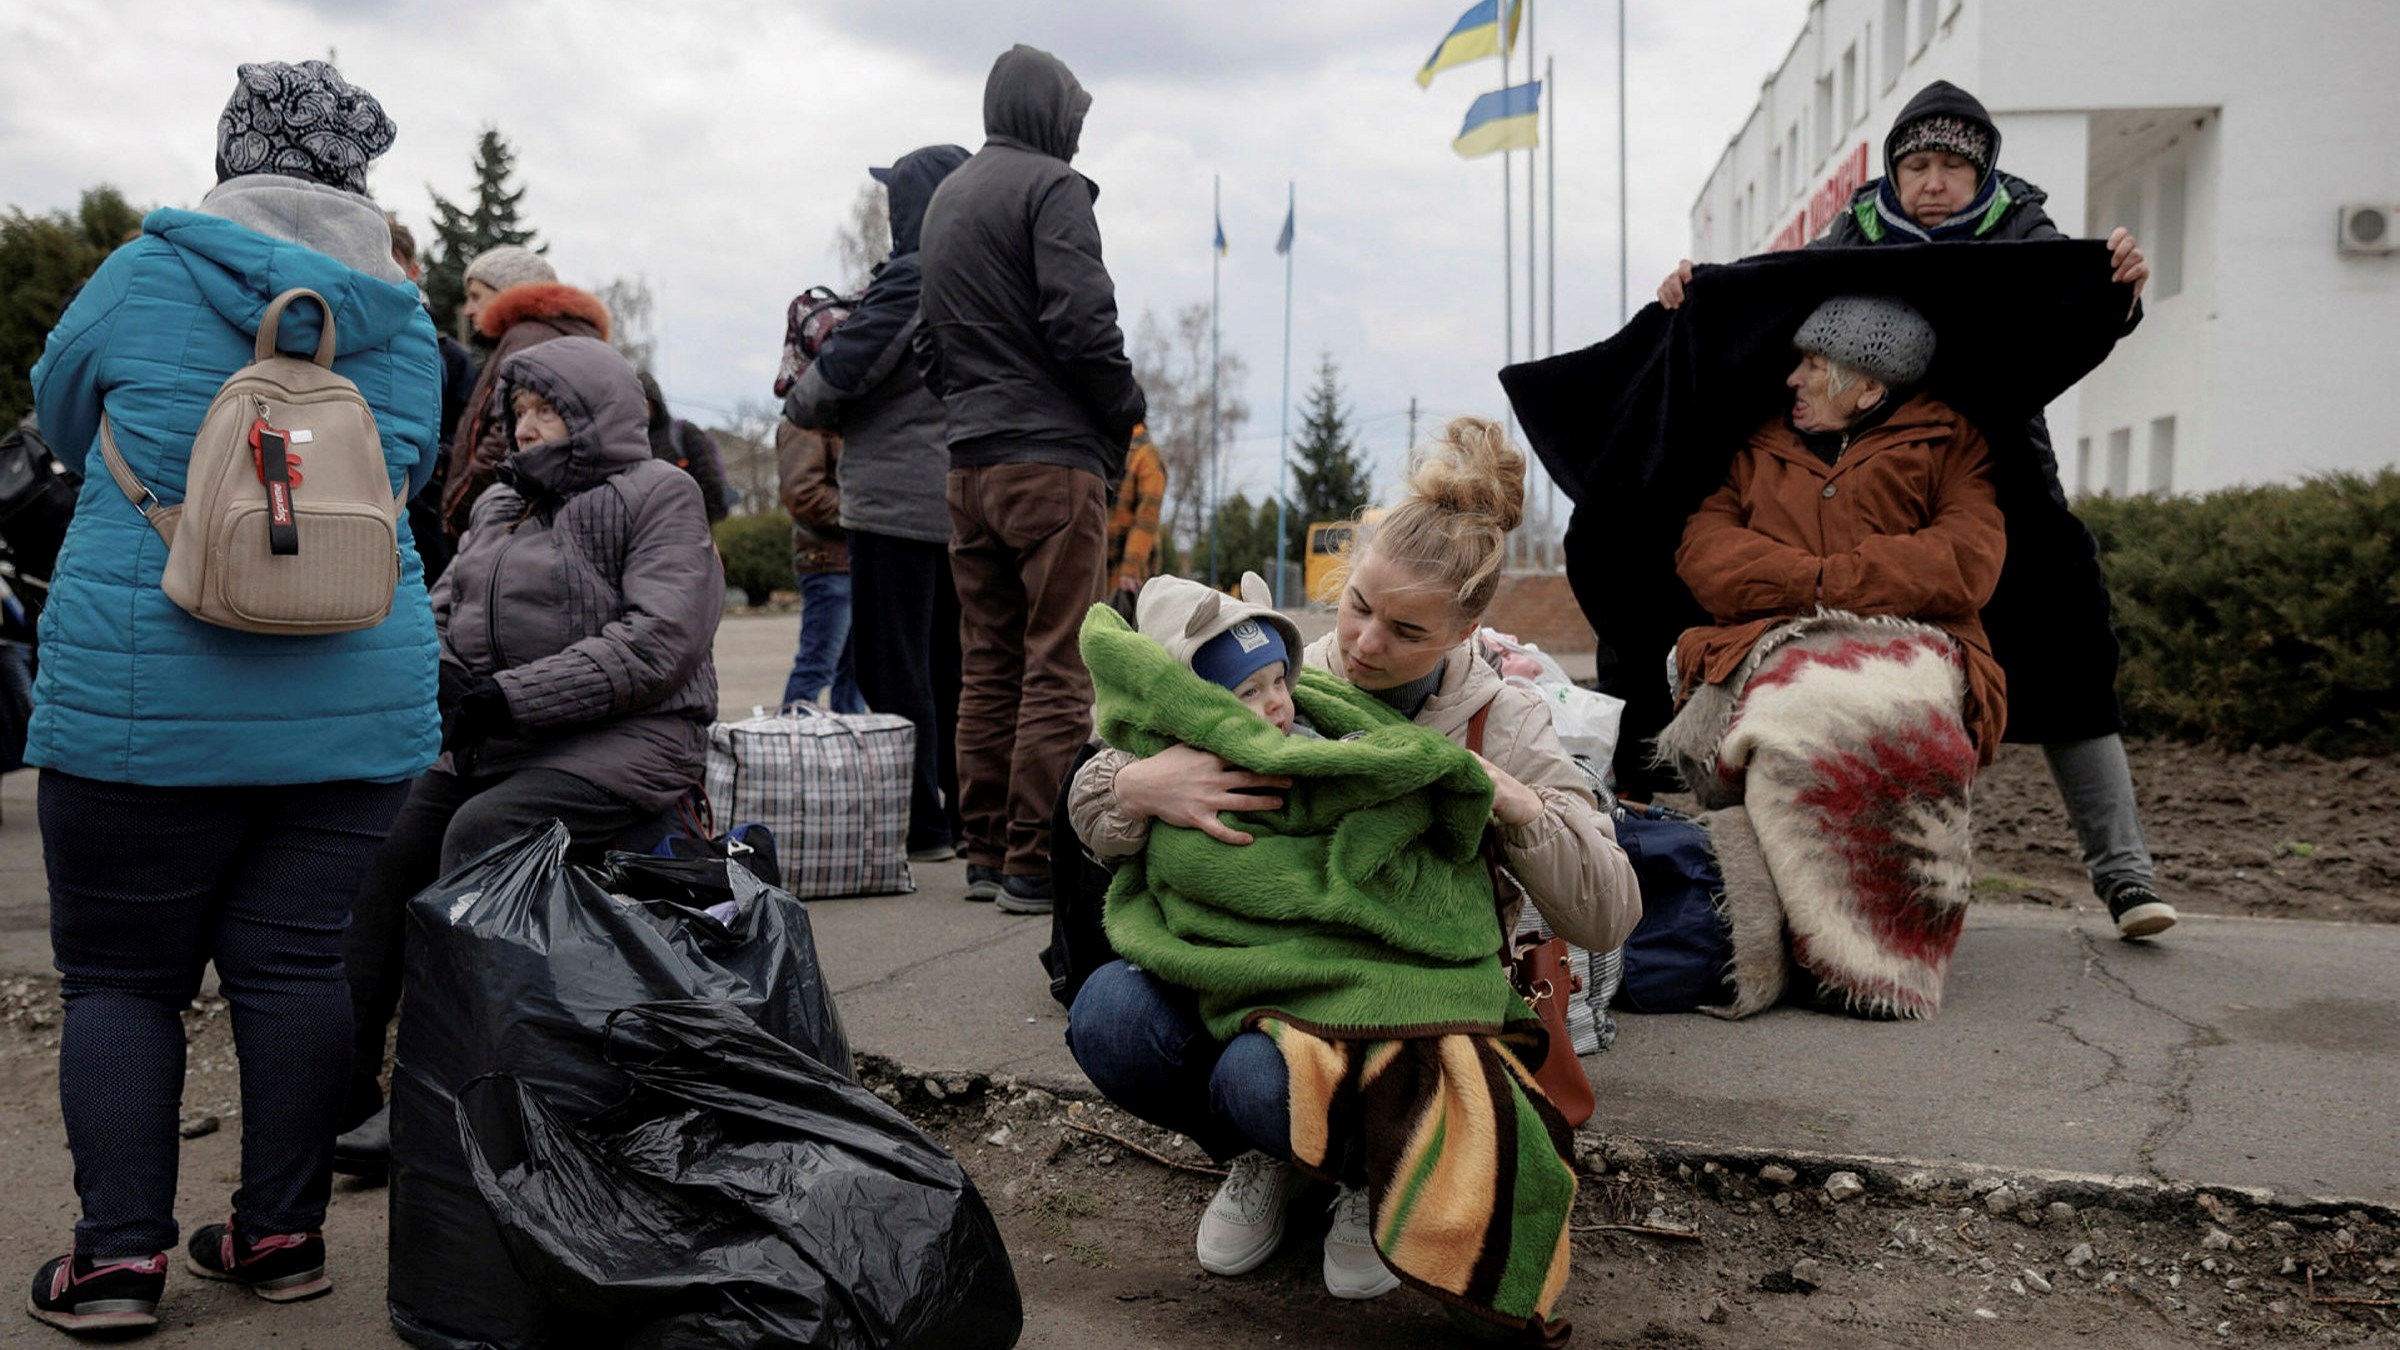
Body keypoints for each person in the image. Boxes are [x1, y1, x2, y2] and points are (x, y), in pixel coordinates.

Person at [22, 60, 440, 1333]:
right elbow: (407, 465)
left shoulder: (142, 274)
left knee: (122, 981)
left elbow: (55, 408)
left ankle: (118, 1263)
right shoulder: (402, 319)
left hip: (140, 691)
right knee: (298, 967)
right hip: (354, 697)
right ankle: (278, 1238)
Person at [1064, 419, 1640, 1304]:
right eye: (1358, 605)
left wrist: (1512, 802)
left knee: (1261, 1075)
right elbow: (1099, 795)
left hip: (1401, 1005)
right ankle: (1278, 1160)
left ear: (1465, 630)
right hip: (1257, 964)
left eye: (1406, 630)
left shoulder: (1508, 719)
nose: (1366, 644)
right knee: (1109, 1012)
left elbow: (1608, 912)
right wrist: (1142, 785)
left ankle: (1366, 1175)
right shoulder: (1288, 673)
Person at [1657, 80, 2174, 940]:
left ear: (1984, 176)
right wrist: (1697, 290)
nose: (1931, 182)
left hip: (1997, 461)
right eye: (1916, 165)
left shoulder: (2023, 235)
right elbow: (1774, 293)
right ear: (1894, 173)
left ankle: (2125, 876)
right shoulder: (1853, 233)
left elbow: (2069, 308)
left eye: (1951, 167)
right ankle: (1722, 864)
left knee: (2070, 643)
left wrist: (2117, 285)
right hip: (1859, 463)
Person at [334, 335, 722, 1173]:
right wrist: (434, 672)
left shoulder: (659, 495)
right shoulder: (497, 507)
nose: (529, 428)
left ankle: (442, 1100)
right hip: (499, 735)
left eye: (550, 411)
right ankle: (339, 1088)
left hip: (630, 739)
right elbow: (442, 609)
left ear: (600, 414)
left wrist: (511, 698)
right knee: (383, 840)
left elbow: (661, 642)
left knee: (480, 837)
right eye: (520, 413)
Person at [1662, 296, 2001, 1017]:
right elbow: (1705, 553)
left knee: (1876, 713)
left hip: (1915, 645)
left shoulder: (1949, 442)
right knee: (1786, 713)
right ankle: (1790, 939)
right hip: (1773, 642)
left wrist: (1831, 585)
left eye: (1814, 366)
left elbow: (1966, 560)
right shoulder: (1755, 446)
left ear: (1869, 388)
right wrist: (1813, 587)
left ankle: (1872, 960)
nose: (1793, 379)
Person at [915, 44, 1147, 915]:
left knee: (988, 665)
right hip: (1051, 464)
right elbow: (1083, 325)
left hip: (969, 464)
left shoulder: (949, 197)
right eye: (1075, 119)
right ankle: (1034, 862)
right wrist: (1124, 403)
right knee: (1058, 666)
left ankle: (983, 854)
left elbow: (926, 343)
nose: (1078, 137)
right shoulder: (1053, 189)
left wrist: (972, 409)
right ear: (1047, 112)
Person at [785, 145, 972, 859]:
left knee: (894, 667)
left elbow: (821, 391)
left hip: (897, 504)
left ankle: (920, 824)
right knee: (953, 670)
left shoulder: (911, 278)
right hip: (959, 500)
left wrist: (807, 388)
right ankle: (962, 815)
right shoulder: (975, 274)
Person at [437, 246, 610, 536]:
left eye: (477, 296)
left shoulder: (527, 341)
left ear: (510, 293)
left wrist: (459, 507)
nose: (468, 309)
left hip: (509, 516)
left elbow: (502, 439)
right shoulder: (555, 334)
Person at [384, 213, 477, 584]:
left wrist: (437, 459)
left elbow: (468, 431)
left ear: (414, 270)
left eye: (393, 262)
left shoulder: (450, 356)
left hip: (427, 506)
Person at [774, 418, 865, 713]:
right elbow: (803, 492)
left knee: (857, 672)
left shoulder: (844, 417)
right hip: (828, 564)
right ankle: (791, 746)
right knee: (817, 666)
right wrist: (864, 511)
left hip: (855, 560)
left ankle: (852, 750)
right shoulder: (805, 422)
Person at [639, 371, 731, 522]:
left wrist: (703, 525)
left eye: (644, 401)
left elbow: (710, 481)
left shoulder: (683, 433)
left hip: (688, 526)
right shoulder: (631, 442)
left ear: (654, 400)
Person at [1105, 423, 1167, 614]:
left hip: (1129, 576)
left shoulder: (1146, 455)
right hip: (1107, 567)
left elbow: (1146, 518)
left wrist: (1130, 570)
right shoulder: (1111, 447)